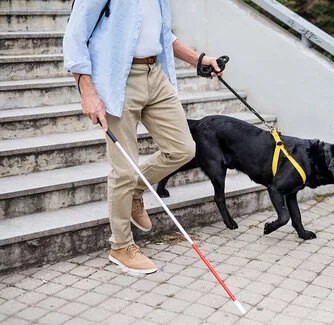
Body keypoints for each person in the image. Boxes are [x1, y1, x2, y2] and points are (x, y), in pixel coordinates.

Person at [63, 0, 223, 274]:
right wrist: (87, 92)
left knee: (183, 149)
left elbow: (162, 33)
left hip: (155, 74)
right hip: (118, 78)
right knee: (123, 169)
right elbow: (75, 36)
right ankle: (121, 246)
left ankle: (135, 190)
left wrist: (198, 59)